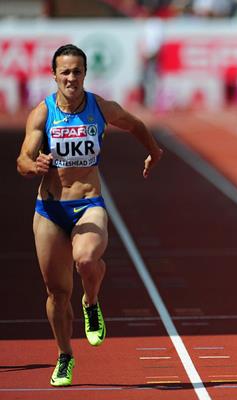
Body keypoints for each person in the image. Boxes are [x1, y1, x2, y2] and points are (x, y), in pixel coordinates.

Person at [16, 44, 163, 386]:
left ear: (85, 73)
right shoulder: (42, 112)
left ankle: (92, 301)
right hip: (50, 210)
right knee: (56, 293)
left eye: (77, 71)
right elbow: (22, 157)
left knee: (85, 260)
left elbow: (135, 123)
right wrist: (32, 164)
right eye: (64, 72)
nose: (71, 77)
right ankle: (65, 355)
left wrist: (153, 151)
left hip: (88, 203)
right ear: (54, 75)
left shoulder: (100, 107)